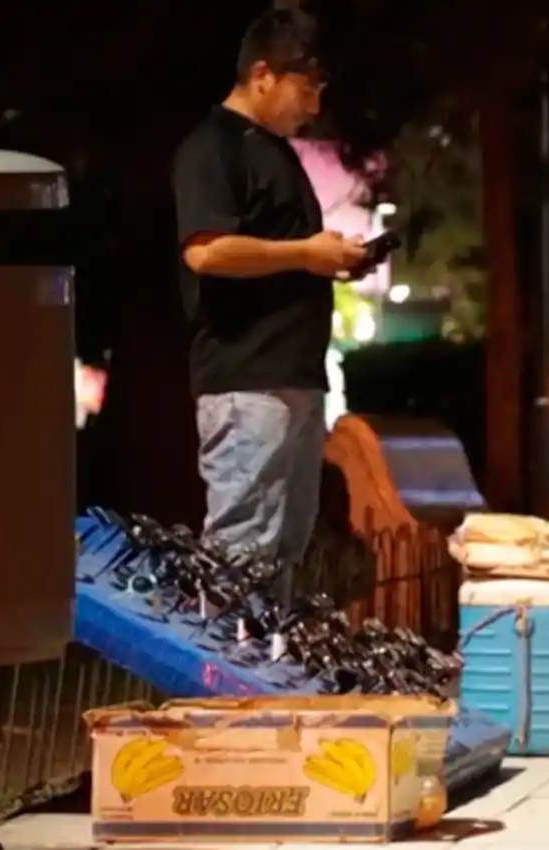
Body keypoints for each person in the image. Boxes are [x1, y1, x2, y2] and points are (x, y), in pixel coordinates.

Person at [173, 9, 366, 566]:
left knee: (283, 550)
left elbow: (280, 253)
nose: (314, 106)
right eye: (306, 89)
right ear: (263, 74)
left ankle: (263, 655)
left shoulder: (274, 149)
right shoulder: (213, 145)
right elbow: (206, 251)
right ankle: (222, 656)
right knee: (241, 552)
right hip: (248, 379)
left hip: (293, 376)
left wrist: (326, 260)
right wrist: (307, 253)